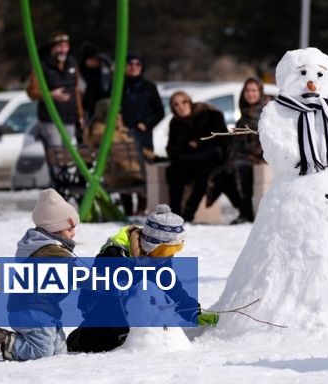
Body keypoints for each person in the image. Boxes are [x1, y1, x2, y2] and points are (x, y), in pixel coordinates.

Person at [66, 204, 218, 353]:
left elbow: (173, 288)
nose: (171, 255)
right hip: (100, 310)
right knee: (107, 339)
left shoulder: (158, 259)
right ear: (152, 244)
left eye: (175, 249)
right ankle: (79, 339)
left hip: (132, 312)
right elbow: (93, 295)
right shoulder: (115, 255)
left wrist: (193, 312)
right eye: (167, 249)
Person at [0, 188, 79, 362]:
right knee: (42, 352)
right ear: (55, 228)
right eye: (70, 229)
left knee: (59, 353)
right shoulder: (50, 253)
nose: (74, 234)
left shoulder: (49, 248)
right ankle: (0, 339)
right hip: (31, 310)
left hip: (45, 311)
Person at [206, 78, 271, 224]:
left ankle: (247, 213)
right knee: (220, 174)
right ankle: (243, 210)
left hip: (261, 157)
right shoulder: (244, 113)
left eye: (254, 90)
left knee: (240, 168)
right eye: (247, 90)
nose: (250, 94)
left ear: (260, 92)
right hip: (242, 157)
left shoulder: (268, 112)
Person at [166, 91, 229, 222]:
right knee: (173, 172)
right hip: (187, 161)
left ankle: (189, 213)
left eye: (184, 102)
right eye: (176, 105)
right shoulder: (175, 122)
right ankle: (175, 213)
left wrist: (199, 142)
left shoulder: (209, 114)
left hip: (209, 160)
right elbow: (171, 148)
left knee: (204, 174)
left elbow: (222, 139)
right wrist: (184, 146)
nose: (181, 107)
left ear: (190, 102)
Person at [26, 32, 84, 147]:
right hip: (51, 119)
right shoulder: (42, 66)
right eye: (60, 46)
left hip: (69, 118)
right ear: (52, 48)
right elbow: (31, 92)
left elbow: (76, 90)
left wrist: (80, 114)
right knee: (56, 153)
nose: (63, 50)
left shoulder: (72, 63)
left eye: (66, 46)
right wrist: (50, 95)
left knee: (71, 153)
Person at [121, 53, 164, 153]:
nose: (134, 67)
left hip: (143, 135)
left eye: (137, 64)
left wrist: (147, 124)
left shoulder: (149, 87)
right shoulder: (118, 85)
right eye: (130, 64)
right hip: (121, 133)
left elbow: (159, 112)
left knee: (144, 162)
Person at [79, 41, 112, 122]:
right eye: (92, 59)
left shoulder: (104, 72)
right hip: (87, 112)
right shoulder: (79, 74)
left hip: (103, 111)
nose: (96, 62)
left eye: (97, 59)